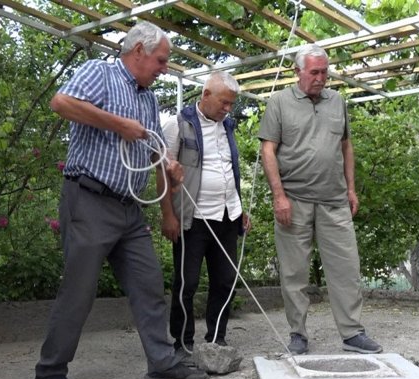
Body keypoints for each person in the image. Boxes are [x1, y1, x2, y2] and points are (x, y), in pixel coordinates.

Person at [33, 21, 209, 379]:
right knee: (79, 292)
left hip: (129, 209)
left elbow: (156, 152)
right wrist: (117, 124)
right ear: (139, 51)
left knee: (148, 286)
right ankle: (50, 371)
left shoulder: (148, 99)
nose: (164, 68)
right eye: (161, 60)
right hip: (89, 199)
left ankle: (162, 364)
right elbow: (60, 103)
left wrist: (170, 169)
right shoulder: (101, 72)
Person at [257, 44, 382, 355]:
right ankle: (297, 334)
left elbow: (346, 146)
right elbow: (268, 150)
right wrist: (279, 196)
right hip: (293, 200)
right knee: (293, 273)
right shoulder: (279, 102)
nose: (320, 77)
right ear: (299, 72)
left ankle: (352, 333)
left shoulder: (337, 101)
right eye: (314, 72)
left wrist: (351, 188)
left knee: (346, 269)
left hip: (334, 200)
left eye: (325, 71)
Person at [158, 71, 251, 357]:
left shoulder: (228, 127)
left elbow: (227, 170)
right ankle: (183, 344)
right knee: (187, 282)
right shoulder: (178, 124)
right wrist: (168, 215)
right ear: (206, 95)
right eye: (223, 103)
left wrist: (239, 208)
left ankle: (216, 340)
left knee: (225, 281)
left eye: (231, 104)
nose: (227, 109)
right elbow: (162, 170)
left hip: (227, 216)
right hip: (192, 220)